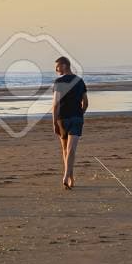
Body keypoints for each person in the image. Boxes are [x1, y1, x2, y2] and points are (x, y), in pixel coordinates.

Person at [52, 56, 88, 189]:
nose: (56, 69)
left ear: (64, 65)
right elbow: (86, 103)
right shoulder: (79, 81)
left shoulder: (58, 82)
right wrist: (80, 114)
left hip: (63, 119)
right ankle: (70, 177)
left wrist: (54, 122)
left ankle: (66, 176)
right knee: (71, 149)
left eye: (57, 66)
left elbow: (55, 104)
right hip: (76, 118)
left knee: (66, 150)